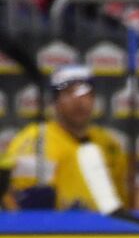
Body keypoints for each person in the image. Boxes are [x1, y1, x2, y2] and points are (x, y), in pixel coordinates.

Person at [0, 65, 127, 211]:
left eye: (85, 94)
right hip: (52, 229)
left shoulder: (109, 144)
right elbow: (18, 200)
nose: (78, 102)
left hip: (102, 230)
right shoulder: (35, 140)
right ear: (55, 100)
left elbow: (120, 201)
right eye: (68, 93)